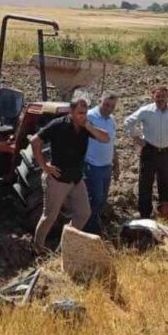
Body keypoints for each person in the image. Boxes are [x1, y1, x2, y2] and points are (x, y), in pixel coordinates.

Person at [30, 98, 110, 252]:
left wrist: (88, 126)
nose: (83, 115)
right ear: (71, 112)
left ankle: (63, 248)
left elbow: (105, 138)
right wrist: (44, 166)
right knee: (49, 217)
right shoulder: (58, 125)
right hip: (57, 178)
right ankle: (38, 249)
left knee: (83, 213)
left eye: (85, 112)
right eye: (80, 113)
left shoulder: (86, 126)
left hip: (76, 179)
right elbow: (35, 141)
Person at [123, 87, 168, 219]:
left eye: (163, 96)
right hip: (149, 151)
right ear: (153, 97)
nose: (160, 99)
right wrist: (137, 138)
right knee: (145, 183)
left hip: (167, 152)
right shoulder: (146, 110)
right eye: (158, 96)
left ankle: (165, 213)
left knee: (166, 183)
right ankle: (145, 214)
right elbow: (128, 122)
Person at [83, 92, 119, 235]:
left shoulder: (111, 120)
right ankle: (89, 230)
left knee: (102, 199)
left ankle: (93, 224)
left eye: (112, 106)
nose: (108, 108)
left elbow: (112, 144)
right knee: (95, 198)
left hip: (106, 166)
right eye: (106, 104)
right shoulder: (90, 116)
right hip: (93, 165)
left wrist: (116, 163)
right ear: (100, 101)